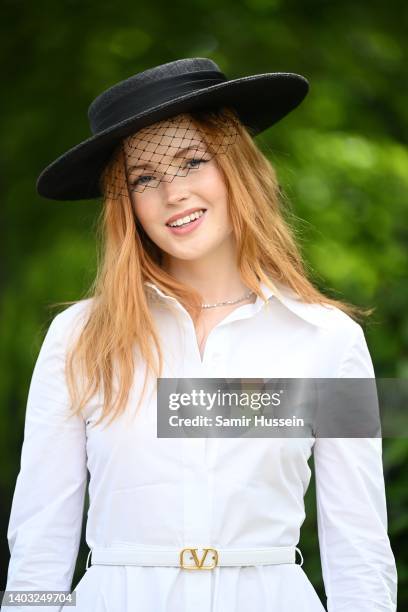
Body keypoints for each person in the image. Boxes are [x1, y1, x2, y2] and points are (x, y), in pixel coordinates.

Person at [1, 57, 397, 611]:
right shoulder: (79, 336)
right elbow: (39, 539)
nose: (173, 193)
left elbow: (358, 541)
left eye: (192, 162)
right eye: (144, 178)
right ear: (127, 205)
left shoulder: (329, 340)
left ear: (237, 167)